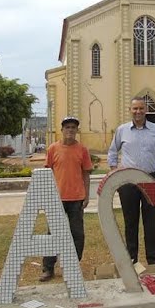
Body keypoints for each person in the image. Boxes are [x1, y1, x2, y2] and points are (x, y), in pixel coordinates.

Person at [107, 96, 155, 265]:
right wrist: (115, 172)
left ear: (146, 110)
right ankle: (132, 261)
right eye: (135, 108)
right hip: (128, 183)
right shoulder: (122, 130)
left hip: (151, 179)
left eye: (141, 108)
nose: (138, 112)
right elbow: (112, 152)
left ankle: (153, 260)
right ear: (130, 110)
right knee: (130, 222)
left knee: (150, 223)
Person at [40, 116, 93, 281]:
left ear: (77, 131)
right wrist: (47, 195)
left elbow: (86, 173)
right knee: (52, 234)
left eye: (73, 127)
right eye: (67, 127)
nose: (70, 130)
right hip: (57, 199)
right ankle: (48, 268)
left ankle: (72, 266)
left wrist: (86, 195)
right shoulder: (53, 149)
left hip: (77, 199)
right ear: (62, 130)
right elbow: (46, 174)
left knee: (77, 234)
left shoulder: (82, 150)